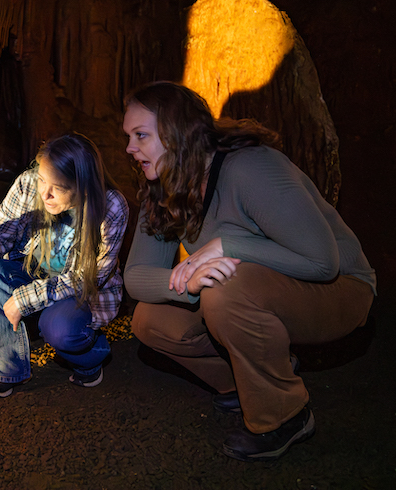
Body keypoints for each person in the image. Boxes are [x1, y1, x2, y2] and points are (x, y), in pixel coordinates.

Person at [122, 81, 376, 461]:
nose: (129, 147)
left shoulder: (250, 168)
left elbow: (323, 263)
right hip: (261, 291)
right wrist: (188, 282)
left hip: (342, 289)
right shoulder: (165, 186)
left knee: (225, 290)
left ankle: (284, 415)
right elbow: (137, 277)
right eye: (128, 136)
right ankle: (241, 383)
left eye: (140, 135)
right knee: (149, 319)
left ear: (178, 133)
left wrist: (225, 245)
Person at [0, 132, 129, 397]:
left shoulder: (111, 207)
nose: (45, 192)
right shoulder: (28, 185)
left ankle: (92, 356)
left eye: (58, 187)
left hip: (77, 290)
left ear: (82, 185)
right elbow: (1, 235)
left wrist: (26, 299)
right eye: (42, 179)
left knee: (60, 329)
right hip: (32, 274)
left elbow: (89, 277)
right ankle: (9, 366)